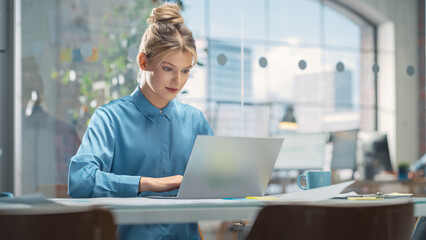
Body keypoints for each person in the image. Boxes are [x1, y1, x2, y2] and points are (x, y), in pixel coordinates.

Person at [68, 3, 213, 240]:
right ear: (144, 62)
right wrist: (145, 184)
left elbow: (219, 179)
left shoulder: (195, 120)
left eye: (185, 71)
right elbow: (80, 181)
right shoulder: (110, 118)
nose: (178, 80)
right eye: (168, 68)